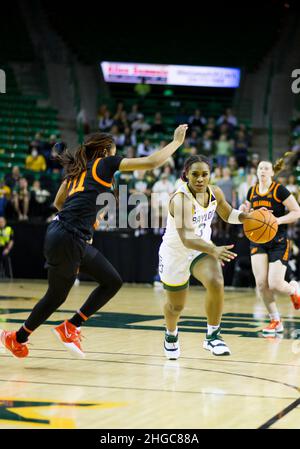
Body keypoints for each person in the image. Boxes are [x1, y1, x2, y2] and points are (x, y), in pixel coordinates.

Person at [0, 125, 188, 359]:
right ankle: (58, 330)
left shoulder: (77, 171)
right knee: (63, 294)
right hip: (69, 237)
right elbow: (150, 162)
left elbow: (59, 202)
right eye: (115, 150)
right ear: (106, 150)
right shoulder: (104, 164)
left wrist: (87, 220)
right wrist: (176, 143)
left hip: (62, 233)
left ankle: (20, 337)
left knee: (107, 282)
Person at [159, 154, 251, 359]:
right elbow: (186, 238)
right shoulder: (180, 199)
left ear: (210, 175)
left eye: (204, 174)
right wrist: (213, 249)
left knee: (217, 281)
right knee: (176, 306)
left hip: (201, 250)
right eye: (195, 175)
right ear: (186, 175)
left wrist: (246, 217)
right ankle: (171, 334)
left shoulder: (215, 192)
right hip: (176, 252)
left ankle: (213, 336)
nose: (200, 179)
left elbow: (228, 214)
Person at [240, 156, 300, 334]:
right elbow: (248, 211)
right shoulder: (251, 191)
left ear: (272, 172)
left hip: (278, 241)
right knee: (261, 285)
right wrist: (245, 211)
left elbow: (297, 212)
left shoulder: (279, 190)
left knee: (275, 284)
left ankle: (294, 288)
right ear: (256, 172)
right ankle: (276, 321)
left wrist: (276, 220)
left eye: (266, 168)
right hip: (257, 240)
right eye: (260, 168)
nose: (263, 171)